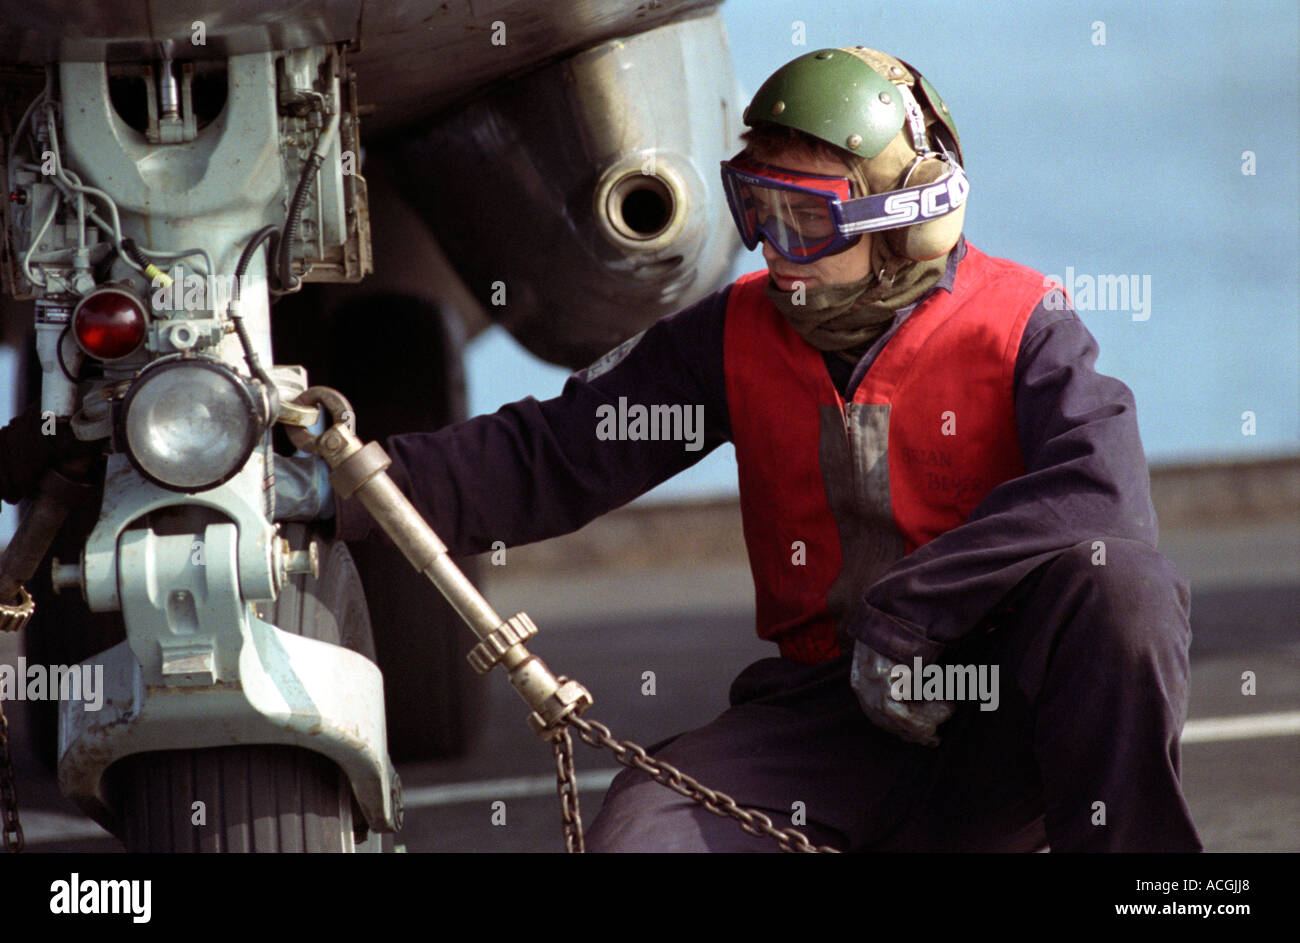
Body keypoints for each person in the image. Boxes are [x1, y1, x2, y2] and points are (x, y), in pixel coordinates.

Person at [334, 47, 1201, 851]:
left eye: (808, 223)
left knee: (1123, 587)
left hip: (999, 718)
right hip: (825, 722)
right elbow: (551, 457)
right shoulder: (736, 331)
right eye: (759, 210)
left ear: (908, 218)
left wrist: (912, 618)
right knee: (643, 834)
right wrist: (346, 482)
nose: (779, 257)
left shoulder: (1023, 326)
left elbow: (1103, 502)